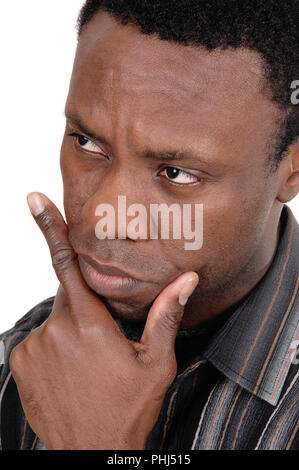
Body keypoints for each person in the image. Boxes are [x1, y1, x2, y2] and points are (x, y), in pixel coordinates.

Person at [0, 0, 298, 450]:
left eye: (176, 173)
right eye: (86, 142)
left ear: (291, 170)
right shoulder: (14, 368)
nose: (105, 214)